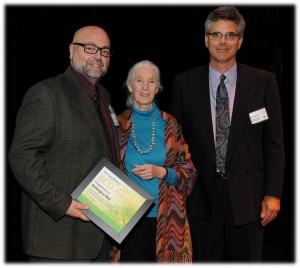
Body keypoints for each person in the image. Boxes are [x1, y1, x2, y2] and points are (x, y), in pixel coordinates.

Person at [170, 6, 285, 262]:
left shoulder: (264, 83)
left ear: (240, 41)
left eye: (230, 35)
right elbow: (176, 144)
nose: (223, 41)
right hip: (200, 199)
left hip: (248, 198)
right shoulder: (184, 83)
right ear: (206, 39)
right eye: (216, 34)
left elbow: (274, 144)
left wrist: (273, 193)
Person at [8, 25, 120, 262]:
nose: (98, 56)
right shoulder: (46, 93)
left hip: (98, 238)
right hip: (57, 240)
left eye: (105, 51)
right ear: (71, 50)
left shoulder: (105, 98)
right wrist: (63, 204)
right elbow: (22, 156)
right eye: (90, 48)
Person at [111, 60, 197, 263]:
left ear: (158, 88)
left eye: (151, 82)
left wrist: (162, 172)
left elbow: (189, 173)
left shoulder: (171, 125)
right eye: (139, 81)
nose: (144, 87)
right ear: (129, 86)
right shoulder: (117, 124)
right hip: (127, 219)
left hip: (166, 220)